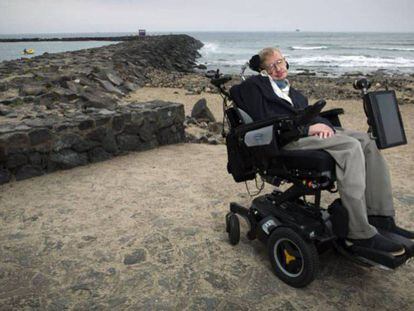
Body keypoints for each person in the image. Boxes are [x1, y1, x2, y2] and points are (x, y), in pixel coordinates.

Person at [237, 47, 414, 256]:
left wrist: (325, 126)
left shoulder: (289, 90)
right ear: (263, 70)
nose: (278, 68)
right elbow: (265, 118)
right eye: (272, 65)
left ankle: (379, 216)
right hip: (286, 139)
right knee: (350, 148)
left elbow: (307, 112)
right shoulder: (253, 87)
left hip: (304, 133)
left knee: (367, 141)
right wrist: (306, 129)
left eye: (281, 62)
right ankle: (359, 232)